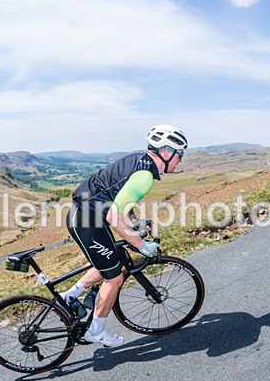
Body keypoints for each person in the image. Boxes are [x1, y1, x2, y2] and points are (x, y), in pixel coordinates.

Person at [61, 125, 188, 347]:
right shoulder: (145, 176)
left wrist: (135, 223)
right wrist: (141, 245)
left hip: (87, 215)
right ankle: (96, 330)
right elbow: (114, 216)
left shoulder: (139, 161)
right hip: (86, 220)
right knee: (115, 278)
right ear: (167, 152)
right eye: (180, 155)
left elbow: (118, 199)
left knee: (112, 259)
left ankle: (70, 296)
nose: (180, 160)